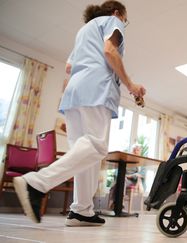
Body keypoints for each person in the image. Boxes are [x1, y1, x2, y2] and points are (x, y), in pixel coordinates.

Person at [13, 0, 145, 226]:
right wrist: (131, 85)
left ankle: (81, 210)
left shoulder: (85, 31)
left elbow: (68, 67)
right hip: (95, 88)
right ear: (117, 13)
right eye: (125, 19)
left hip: (74, 92)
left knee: (84, 154)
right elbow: (110, 51)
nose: (124, 23)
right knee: (96, 146)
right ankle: (36, 183)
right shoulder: (112, 21)